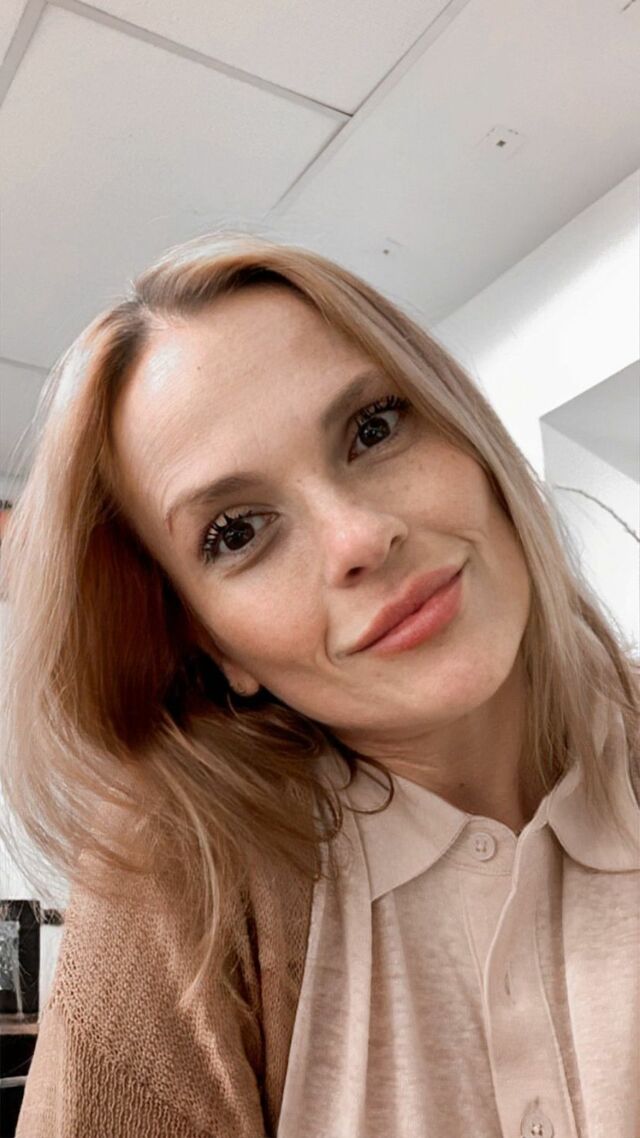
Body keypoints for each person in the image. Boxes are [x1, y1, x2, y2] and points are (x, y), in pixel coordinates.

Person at [0, 232, 638, 1138]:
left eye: (373, 429)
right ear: (211, 645)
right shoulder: (181, 876)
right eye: (237, 531)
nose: (360, 538)